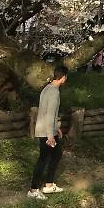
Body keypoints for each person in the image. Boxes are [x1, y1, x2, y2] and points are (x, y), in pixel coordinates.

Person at [28, 66, 69, 200]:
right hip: (46, 132)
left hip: (48, 129)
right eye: (66, 77)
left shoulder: (47, 88)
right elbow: (50, 114)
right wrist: (50, 136)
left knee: (57, 154)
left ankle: (49, 185)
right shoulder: (54, 92)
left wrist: (56, 128)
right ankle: (33, 189)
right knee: (43, 159)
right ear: (63, 77)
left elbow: (49, 112)